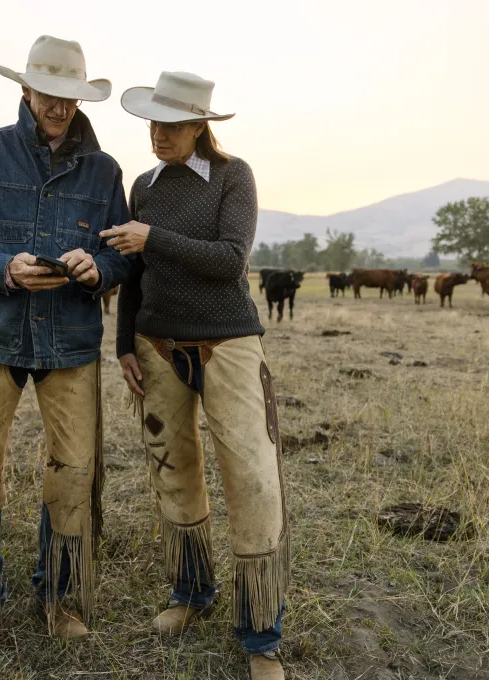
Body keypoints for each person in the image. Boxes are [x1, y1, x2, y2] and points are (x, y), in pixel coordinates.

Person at [0, 35, 132, 660]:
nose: (60, 106)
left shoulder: (104, 172)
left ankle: (64, 602)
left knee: (73, 473)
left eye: (71, 96)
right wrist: (4, 267)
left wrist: (98, 268)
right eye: (49, 93)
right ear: (25, 90)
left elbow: (116, 252)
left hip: (70, 342)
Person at [101, 71, 290, 680]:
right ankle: (191, 593)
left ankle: (261, 635)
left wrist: (154, 235)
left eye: (172, 125)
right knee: (172, 471)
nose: (159, 135)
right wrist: (125, 339)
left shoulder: (234, 176)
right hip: (156, 344)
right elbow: (132, 272)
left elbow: (230, 259)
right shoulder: (144, 184)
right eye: (153, 124)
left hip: (229, 342)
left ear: (200, 126)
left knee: (252, 477)